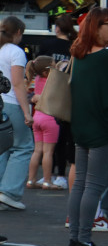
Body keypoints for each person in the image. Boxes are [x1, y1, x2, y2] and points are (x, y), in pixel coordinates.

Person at [65, 7, 108, 246]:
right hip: (102, 127)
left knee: (81, 183)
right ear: (96, 27)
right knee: (93, 185)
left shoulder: (78, 55)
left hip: (81, 125)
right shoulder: (105, 57)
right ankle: (83, 240)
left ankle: (75, 239)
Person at [40, 12, 76, 187]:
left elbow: (37, 65)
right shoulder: (73, 47)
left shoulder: (47, 45)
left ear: (58, 28)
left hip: (45, 93)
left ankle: (47, 174)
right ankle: (61, 174)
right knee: (63, 138)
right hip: (66, 95)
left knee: (45, 141)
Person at [0, 16, 32, 210]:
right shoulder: (15, 52)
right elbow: (18, 84)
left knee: (2, 149)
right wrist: (27, 112)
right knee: (23, 146)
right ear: (18, 32)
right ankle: (9, 192)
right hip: (11, 103)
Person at [25, 56, 59, 190]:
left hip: (37, 117)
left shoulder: (37, 78)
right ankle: (47, 181)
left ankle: (31, 180)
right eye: (53, 65)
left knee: (37, 151)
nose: (56, 67)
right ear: (47, 70)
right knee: (48, 153)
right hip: (50, 119)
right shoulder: (53, 80)